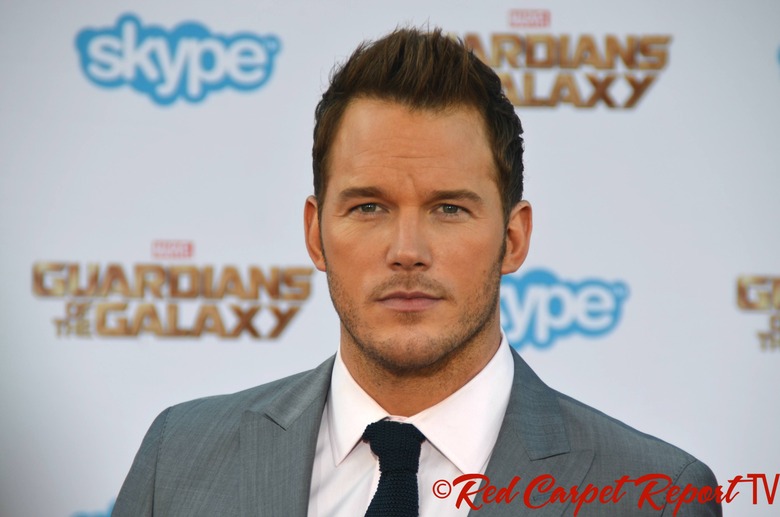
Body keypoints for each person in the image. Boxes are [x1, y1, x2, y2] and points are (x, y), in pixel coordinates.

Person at [112, 28, 722, 516]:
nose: (407, 251)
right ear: (315, 234)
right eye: (368, 207)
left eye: (449, 209)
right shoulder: (179, 457)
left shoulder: (656, 494)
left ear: (513, 239)